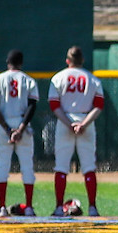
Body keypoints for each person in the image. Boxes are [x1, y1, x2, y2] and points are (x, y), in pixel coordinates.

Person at [48, 45, 107, 216]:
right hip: (86, 121)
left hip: (64, 121)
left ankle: (59, 207)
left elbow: (54, 105)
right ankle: (92, 208)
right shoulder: (93, 79)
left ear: (67, 61)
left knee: (61, 167)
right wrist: (83, 124)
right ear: (83, 60)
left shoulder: (58, 77)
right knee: (89, 167)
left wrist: (69, 123)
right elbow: (98, 106)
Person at [0, 49, 39, 216]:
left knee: (2, 167)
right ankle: (29, 207)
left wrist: (8, 129)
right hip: (23, 124)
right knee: (27, 167)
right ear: (21, 63)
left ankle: (2, 207)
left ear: (7, 62)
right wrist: (21, 128)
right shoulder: (29, 80)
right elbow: (32, 106)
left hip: (5, 125)